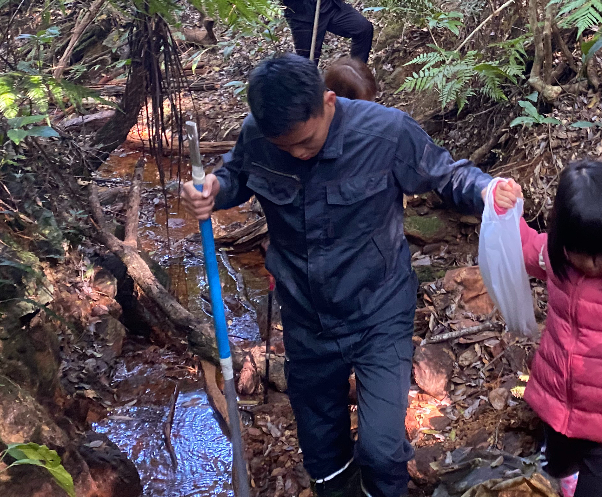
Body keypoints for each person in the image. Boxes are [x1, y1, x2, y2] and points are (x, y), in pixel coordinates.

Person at [183, 54, 519, 497]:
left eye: (305, 142)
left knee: (381, 450)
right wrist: (215, 190)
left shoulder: (386, 132)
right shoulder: (258, 136)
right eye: (286, 149)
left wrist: (487, 190)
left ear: (328, 101)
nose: (298, 154)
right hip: (305, 316)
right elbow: (237, 173)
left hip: (378, 310)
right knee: (322, 455)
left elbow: (446, 174)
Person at [502, 160, 602, 497]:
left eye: (601, 256)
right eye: (581, 254)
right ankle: (568, 478)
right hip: (558, 403)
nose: (590, 265)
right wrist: (506, 211)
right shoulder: (556, 256)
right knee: (558, 466)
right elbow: (522, 247)